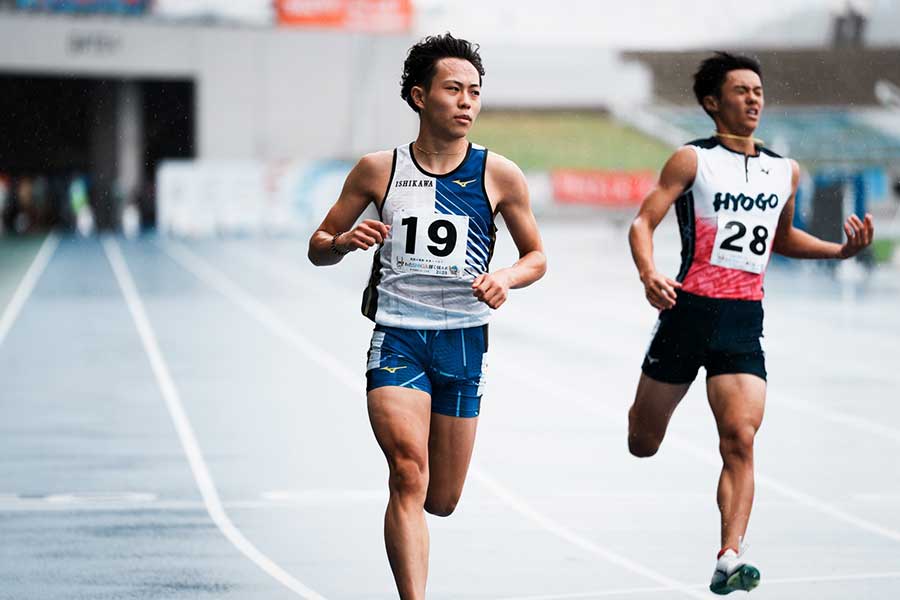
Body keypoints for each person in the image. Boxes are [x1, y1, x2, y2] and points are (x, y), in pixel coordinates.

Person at [308, 33, 546, 599]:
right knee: (408, 473)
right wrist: (344, 240)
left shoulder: (499, 175)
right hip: (399, 339)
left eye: (475, 92)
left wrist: (505, 277)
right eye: (454, 89)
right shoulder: (377, 170)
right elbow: (317, 245)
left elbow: (537, 256)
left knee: (442, 498)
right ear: (419, 97)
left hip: (463, 343)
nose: (467, 102)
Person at [626, 52, 873, 595]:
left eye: (758, 90)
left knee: (740, 438)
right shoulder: (691, 161)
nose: (754, 98)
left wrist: (838, 251)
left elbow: (783, 238)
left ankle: (729, 555)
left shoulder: (784, 169)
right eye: (741, 90)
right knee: (641, 441)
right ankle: (657, 414)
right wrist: (650, 274)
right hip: (685, 313)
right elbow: (644, 221)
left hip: (742, 320)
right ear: (713, 102)